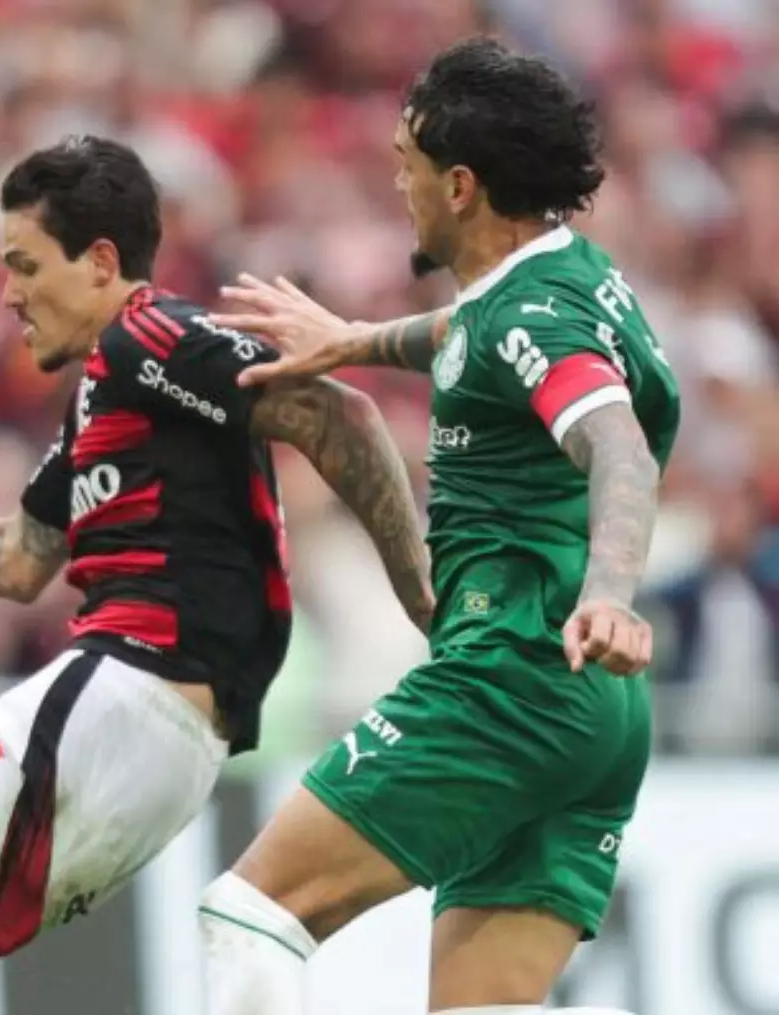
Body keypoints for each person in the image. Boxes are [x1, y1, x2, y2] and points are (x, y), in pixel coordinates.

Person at [0, 135, 435, 1015]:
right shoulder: (111, 393)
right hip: (157, 731)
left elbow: (339, 413)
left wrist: (428, 600)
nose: (9, 293)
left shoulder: (147, 336)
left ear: (101, 262)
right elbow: (13, 559)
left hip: (133, 690)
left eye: (25, 265)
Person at [198, 37, 679, 1014]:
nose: (398, 183)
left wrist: (610, 595)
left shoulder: (535, 315)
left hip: (512, 675)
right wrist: (355, 342)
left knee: (247, 912)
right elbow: (469, 340)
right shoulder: (561, 279)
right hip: (595, 714)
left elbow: (618, 448)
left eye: (406, 165)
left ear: (460, 186)